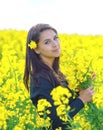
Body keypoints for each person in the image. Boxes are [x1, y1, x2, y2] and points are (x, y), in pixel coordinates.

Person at [23, 23, 95, 129]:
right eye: (47, 42)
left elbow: (66, 104)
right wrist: (82, 100)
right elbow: (55, 122)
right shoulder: (39, 80)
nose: (55, 44)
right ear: (36, 49)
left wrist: (84, 82)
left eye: (55, 38)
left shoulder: (57, 73)